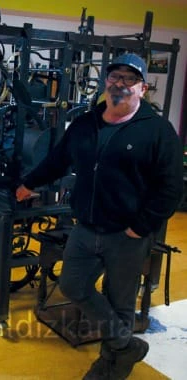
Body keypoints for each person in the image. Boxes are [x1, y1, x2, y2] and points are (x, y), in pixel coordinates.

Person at [15, 53, 183, 379]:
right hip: (85, 228)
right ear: (106, 82)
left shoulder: (158, 132)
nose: (120, 84)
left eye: (129, 79)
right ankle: (126, 345)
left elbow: (171, 186)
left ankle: (110, 365)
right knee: (72, 286)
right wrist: (28, 184)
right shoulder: (85, 124)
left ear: (143, 88)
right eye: (115, 77)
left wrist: (142, 226)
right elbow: (58, 160)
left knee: (120, 301)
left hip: (127, 235)